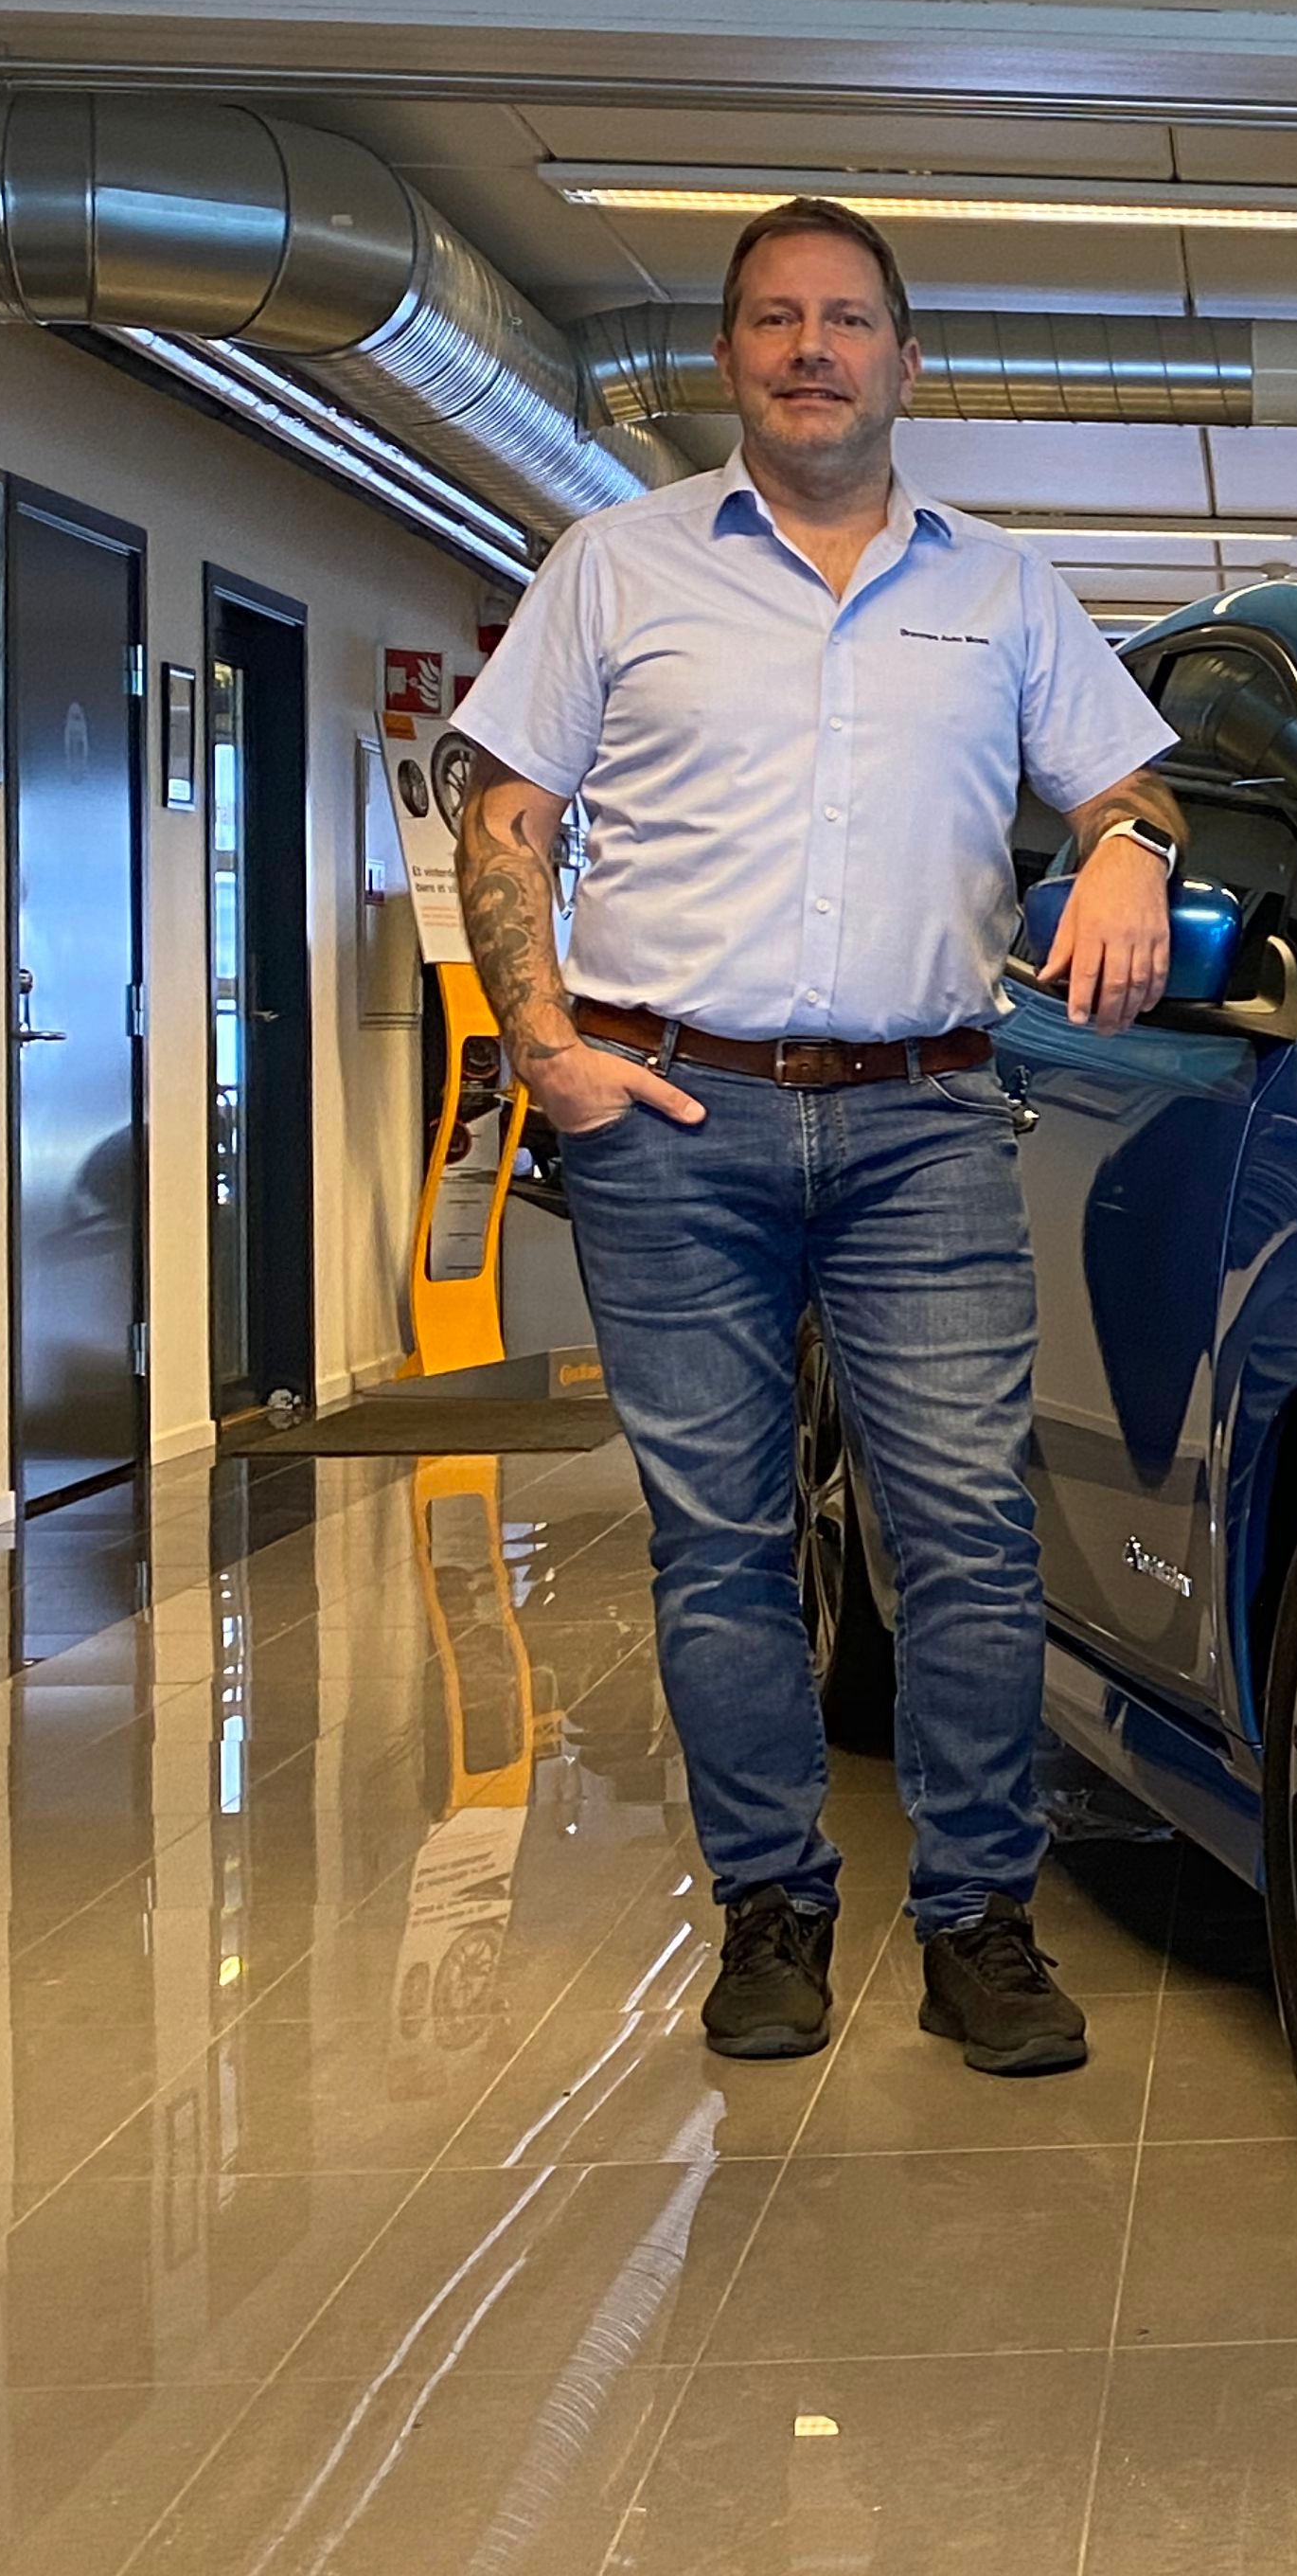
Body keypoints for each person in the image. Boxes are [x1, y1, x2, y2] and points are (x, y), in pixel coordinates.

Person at [448, 196, 1183, 2076]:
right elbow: (506, 811)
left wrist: (1127, 847)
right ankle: (770, 1909)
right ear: (728, 357)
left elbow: (1135, 783)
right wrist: (545, 1047)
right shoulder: (616, 565)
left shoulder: (1000, 589)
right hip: (669, 1115)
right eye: (775, 318)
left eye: (846, 319)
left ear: (904, 361)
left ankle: (979, 1925)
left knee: (968, 1535)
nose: (810, 349)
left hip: (924, 1122)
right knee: (722, 1541)